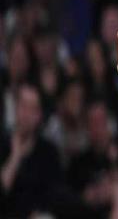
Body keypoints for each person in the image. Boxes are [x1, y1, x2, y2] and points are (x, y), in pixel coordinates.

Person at [0, 82, 63, 217]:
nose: (26, 114)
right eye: (23, 106)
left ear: (39, 116)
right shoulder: (2, 145)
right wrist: (15, 157)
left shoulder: (49, 152)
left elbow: (54, 196)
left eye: (32, 109)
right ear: (16, 109)